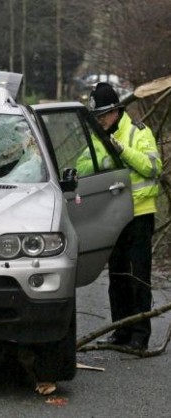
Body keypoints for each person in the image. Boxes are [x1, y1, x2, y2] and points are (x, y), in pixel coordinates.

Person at [89, 82, 162, 351]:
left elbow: (152, 167)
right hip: (113, 217)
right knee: (117, 276)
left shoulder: (138, 133)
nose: (100, 121)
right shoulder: (98, 137)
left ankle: (139, 337)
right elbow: (85, 164)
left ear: (117, 111)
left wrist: (121, 151)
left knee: (137, 277)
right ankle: (120, 331)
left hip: (139, 215)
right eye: (97, 118)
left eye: (103, 116)